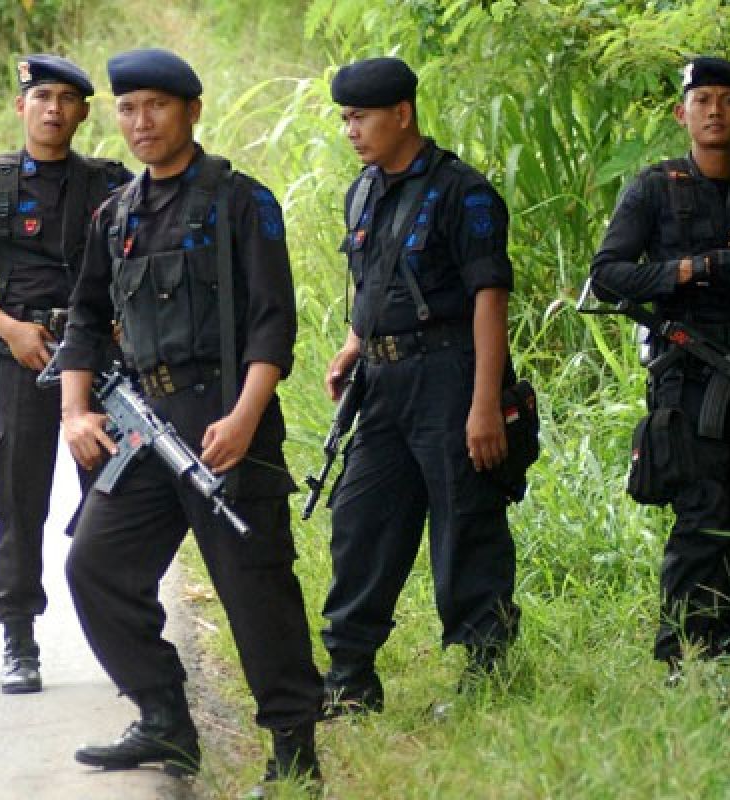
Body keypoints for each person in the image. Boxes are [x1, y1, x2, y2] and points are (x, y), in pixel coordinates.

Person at [58, 48, 323, 789]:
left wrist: (245, 417)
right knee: (96, 566)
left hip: (225, 416)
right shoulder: (115, 215)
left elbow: (275, 322)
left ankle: (295, 757)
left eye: (157, 107)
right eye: (129, 108)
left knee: (255, 586)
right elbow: (84, 318)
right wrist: (74, 412)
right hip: (142, 423)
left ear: (192, 111)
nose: (141, 123)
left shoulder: (241, 202)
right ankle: (165, 722)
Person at [590, 57, 730, 675]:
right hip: (689, 375)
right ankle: (682, 659)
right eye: (702, 100)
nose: (714, 111)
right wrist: (693, 269)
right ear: (681, 113)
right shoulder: (654, 188)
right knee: (703, 514)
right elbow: (607, 276)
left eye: (727, 100)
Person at [319, 56, 520, 717]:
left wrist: (484, 403)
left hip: (451, 375)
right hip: (383, 381)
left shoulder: (464, 192)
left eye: (362, 117)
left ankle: (487, 671)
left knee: (465, 527)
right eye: (345, 118)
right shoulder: (365, 190)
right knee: (359, 522)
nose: (351, 130)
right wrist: (354, 345)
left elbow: (490, 299)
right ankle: (350, 679)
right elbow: (375, 282)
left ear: (401, 113)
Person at [0, 54, 130, 694]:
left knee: (114, 495)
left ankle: (132, 633)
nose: (53, 109)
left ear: (82, 111)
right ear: (21, 105)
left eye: (66, 99)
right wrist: (11, 330)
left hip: (95, 358)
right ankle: (17, 637)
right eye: (41, 96)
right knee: (19, 501)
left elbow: (138, 262)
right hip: (23, 355)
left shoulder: (110, 183)